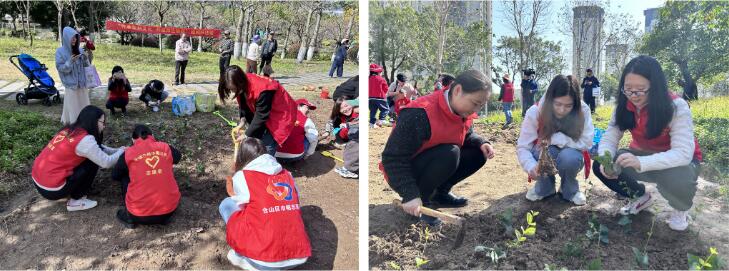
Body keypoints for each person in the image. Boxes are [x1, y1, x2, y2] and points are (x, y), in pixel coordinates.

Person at [593, 55, 703, 231]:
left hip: (680, 162)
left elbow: (683, 153)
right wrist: (606, 160)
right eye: (628, 89)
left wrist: (642, 163)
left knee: (680, 176)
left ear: (655, 87)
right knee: (601, 164)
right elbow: (610, 137)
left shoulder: (676, 107)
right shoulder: (623, 106)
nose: (633, 95)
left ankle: (680, 208)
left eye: (640, 90)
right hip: (644, 155)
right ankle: (639, 197)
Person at [380, 70, 495, 225]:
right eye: (475, 103)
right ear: (458, 90)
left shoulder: (463, 112)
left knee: (477, 153)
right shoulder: (419, 113)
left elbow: (466, 134)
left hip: (436, 161)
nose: (476, 111)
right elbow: (392, 158)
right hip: (404, 172)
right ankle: (423, 199)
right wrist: (409, 193)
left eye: (481, 106)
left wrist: (482, 142)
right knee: (450, 152)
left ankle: (440, 193)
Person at [219, 137, 311, 270]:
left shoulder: (243, 176)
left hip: (266, 260)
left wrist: (234, 178)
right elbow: (295, 200)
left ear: (242, 157)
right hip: (299, 255)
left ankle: (243, 257)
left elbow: (241, 206)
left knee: (227, 204)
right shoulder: (287, 174)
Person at [517, 75, 594, 206]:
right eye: (557, 104)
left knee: (569, 158)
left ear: (575, 103)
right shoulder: (535, 111)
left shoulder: (583, 110)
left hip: (571, 154)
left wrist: (555, 138)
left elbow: (586, 142)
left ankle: (569, 190)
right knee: (546, 152)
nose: (562, 110)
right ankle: (545, 188)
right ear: (549, 99)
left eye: (568, 106)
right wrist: (530, 166)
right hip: (543, 152)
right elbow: (523, 147)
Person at [31, 105, 126, 211]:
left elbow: (97, 148)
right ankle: (76, 201)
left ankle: (72, 189)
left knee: (91, 157)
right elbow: (106, 162)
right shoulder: (85, 140)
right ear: (92, 121)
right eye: (102, 122)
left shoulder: (70, 130)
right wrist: (122, 152)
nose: (104, 126)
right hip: (52, 189)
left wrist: (118, 150)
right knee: (92, 162)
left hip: (39, 180)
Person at [112, 124, 182, 229]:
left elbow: (115, 175)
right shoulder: (164, 147)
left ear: (133, 140)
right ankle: (162, 217)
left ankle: (129, 218)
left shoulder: (128, 153)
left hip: (138, 214)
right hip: (169, 211)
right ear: (152, 136)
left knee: (124, 176)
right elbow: (178, 157)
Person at [219, 65, 298, 156]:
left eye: (233, 89)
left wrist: (246, 134)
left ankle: (266, 164)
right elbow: (244, 104)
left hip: (281, 113)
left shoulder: (263, 89)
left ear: (240, 82)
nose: (233, 92)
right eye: (231, 89)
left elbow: (261, 115)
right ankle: (257, 158)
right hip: (266, 111)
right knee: (256, 135)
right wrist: (243, 121)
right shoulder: (242, 83)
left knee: (267, 144)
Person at [56, 26, 91, 125]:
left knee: (83, 104)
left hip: (82, 83)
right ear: (66, 37)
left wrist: (85, 58)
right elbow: (61, 68)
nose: (74, 40)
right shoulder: (60, 52)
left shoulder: (80, 49)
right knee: (72, 105)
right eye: (72, 37)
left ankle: (84, 122)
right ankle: (72, 123)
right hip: (71, 84)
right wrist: (70, 62)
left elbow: (87, 66)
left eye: (76, 37)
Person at [336, 98, 360, 179]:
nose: (345, 109)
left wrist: (348, 125)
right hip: (352, 137)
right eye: (341, 108)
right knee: (349, 147)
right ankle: (348, 167)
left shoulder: (358, 111)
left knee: (353, 145)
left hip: (357, 138)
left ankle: (350, 169)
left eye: (346, 106)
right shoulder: (343, 118)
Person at [368, 64, 390, 128]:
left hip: (370, 98)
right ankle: (381, 120)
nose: (381, 73)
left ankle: (371, 124)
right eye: (380, 72)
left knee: (373, 111)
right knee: (385, 109)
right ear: (377, 72)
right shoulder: (381, 79)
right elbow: (386, 89)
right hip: (380, 98)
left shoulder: (368, 79)